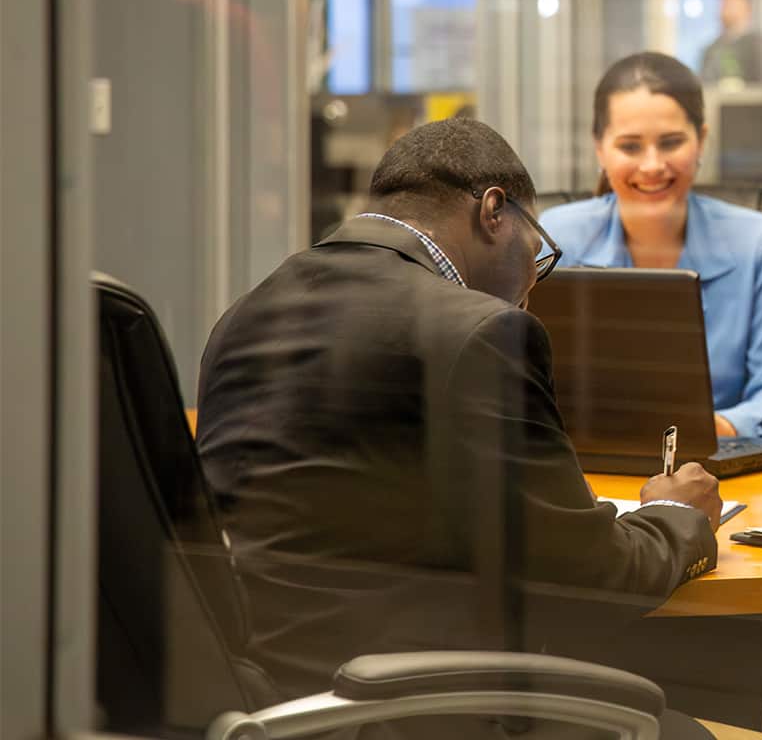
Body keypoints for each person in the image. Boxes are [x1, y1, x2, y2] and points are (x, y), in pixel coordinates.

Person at [196, 117, 723, 700]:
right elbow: (590, 585)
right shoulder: (481, 330)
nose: (531, 284)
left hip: (273, 705)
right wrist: (676, 516)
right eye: (536, 251)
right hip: (429, 706)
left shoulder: (243, 317)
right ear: (494, 212)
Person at [542, 52, 762, 439]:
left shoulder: (757, 243)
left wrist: (710, 430)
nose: (652, 165)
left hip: (716, 467)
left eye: (671, 143)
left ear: (701, 141)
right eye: (630, 147)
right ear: (600, 148)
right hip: (585, 470)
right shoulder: (555, 241)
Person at [699, 0, 762, 86]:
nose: (725, 6)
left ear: (747, 7)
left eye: (732, 1)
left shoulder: (758, 45)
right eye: (724, 1)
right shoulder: (712, 49)